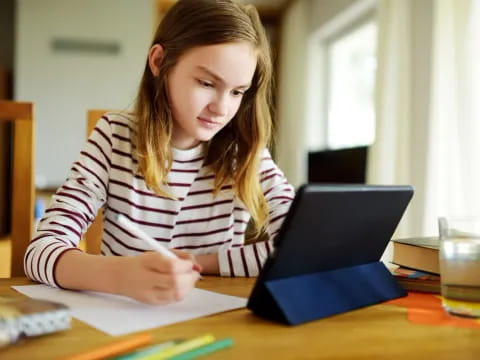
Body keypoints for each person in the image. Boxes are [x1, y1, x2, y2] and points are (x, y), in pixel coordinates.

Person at [25, 0, 294, 305]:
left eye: (237, 92)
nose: (222, 108)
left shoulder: (246, 153)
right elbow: (41, 250)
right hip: (123, 318)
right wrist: (119, 276)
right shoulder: (114, 138)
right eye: (207, 83)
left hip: (213, 322)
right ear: (158, 61)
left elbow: (299, 247)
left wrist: (198, 261)